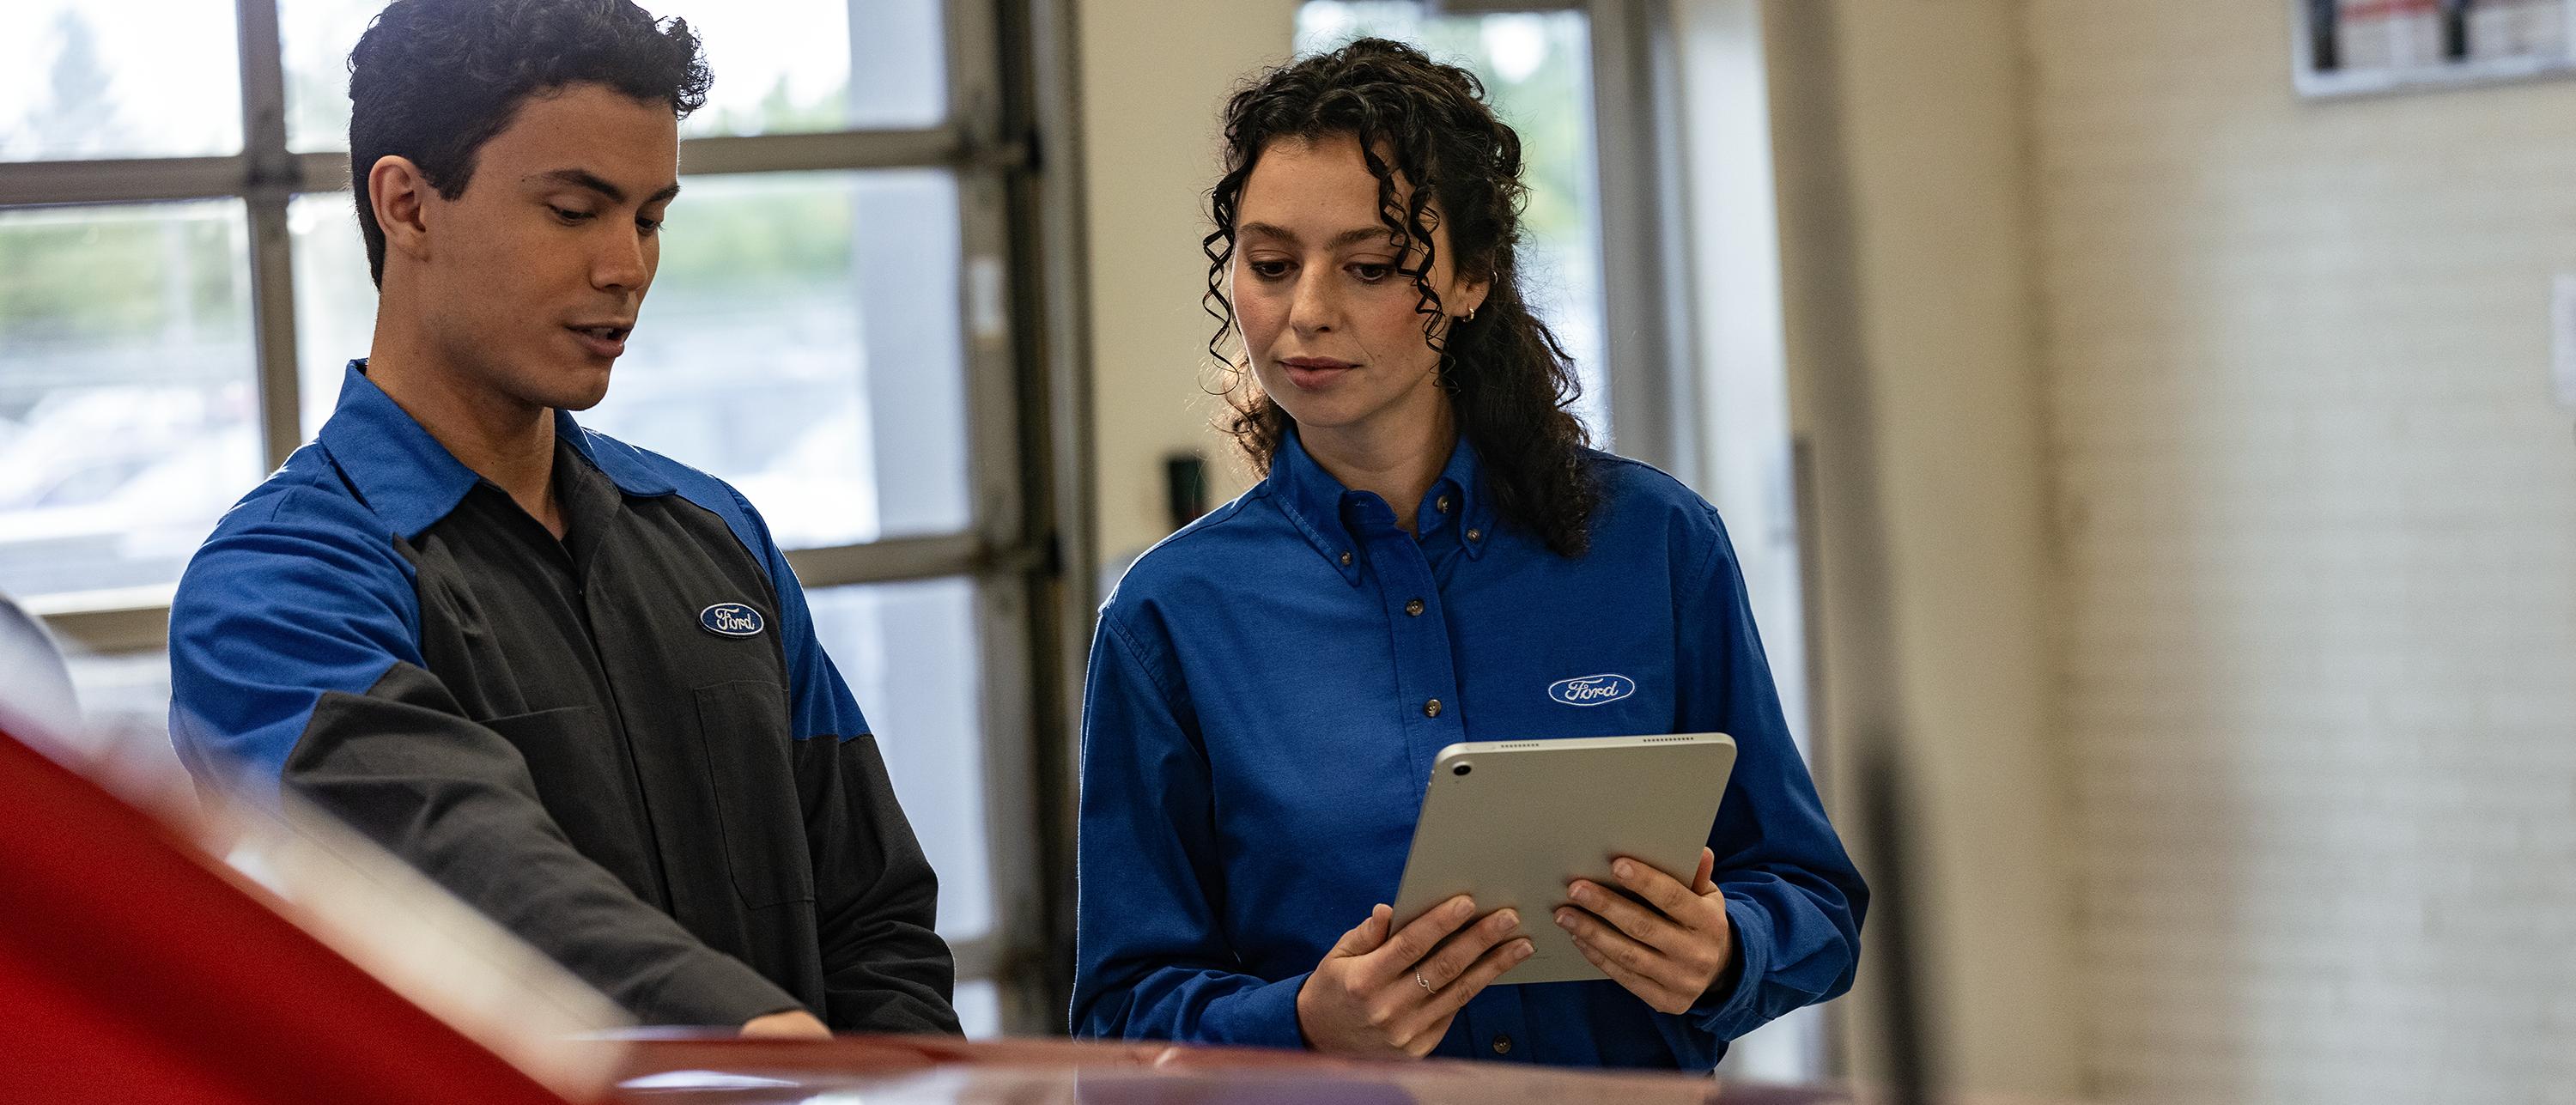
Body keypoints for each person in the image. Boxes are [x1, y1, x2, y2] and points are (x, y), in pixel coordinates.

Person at [167, 0, 957, 1039]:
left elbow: (877, 917)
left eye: (651, 216)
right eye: (576, 211)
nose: (626, 266)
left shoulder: (717, 539)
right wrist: (749, 1041)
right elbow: (462, 873)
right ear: (407, 206)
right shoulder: (275, 591)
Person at [1070, 39, 1865, 1069]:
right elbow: (1120, 1022)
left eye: (1368, 267)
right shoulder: (1169, 616)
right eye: (1270, 266)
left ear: (1474, 277)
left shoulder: (1657, 545)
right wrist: (1306, 1026)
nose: (1307, 311)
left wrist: (1727, 951)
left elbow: (1814, 904)